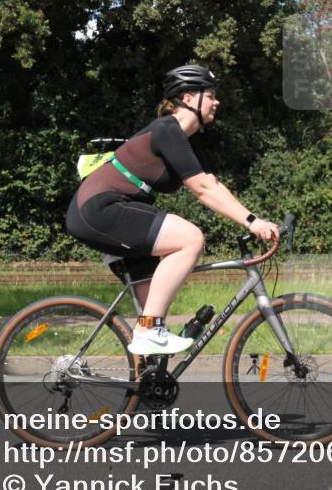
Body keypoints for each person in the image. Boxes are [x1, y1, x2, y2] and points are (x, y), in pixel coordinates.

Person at [66, 65, 279, 355]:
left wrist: (253, 218)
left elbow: (211, 183)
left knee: (153, 308)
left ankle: (147, 379)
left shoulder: (179, 139)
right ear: (189, 98)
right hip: (101, 210)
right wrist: (252, 222)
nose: (217, 102)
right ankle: (149, 331)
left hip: (106, 212)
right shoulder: (168, 130)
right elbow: (203, 190)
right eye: (212, 95)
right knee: (190, 238)